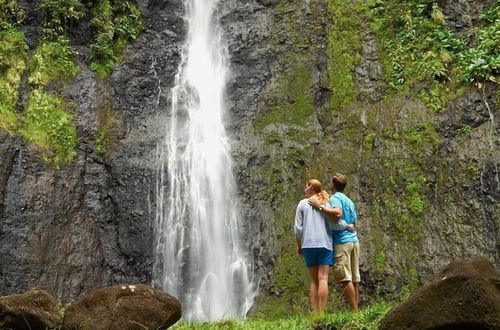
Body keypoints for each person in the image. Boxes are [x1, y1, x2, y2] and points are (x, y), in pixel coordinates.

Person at [309, 173, 360, 311]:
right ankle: (356, 310)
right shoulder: (349, 200)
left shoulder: (336, 198)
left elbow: (337, 214)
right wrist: (348, 226)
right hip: (354, 240)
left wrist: (320, 206)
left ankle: (354, 312)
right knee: (354, 278)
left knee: (345, 278)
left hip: (342, 241)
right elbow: (355, 222)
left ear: (333, 184)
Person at [294, 179, 338, 315]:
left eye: (306, 186)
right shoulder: (326, 203)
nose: (304, 188)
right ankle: (322, 312)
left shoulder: (302, 203)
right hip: (325, 243)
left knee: (314, 281)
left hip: (308, 244)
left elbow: (297, 229)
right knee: (323, 278)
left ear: (311, 188)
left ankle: (314, 313)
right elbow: (334, 222)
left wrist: (299, 246)